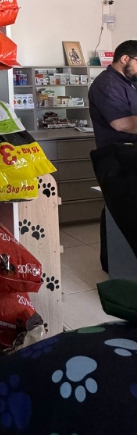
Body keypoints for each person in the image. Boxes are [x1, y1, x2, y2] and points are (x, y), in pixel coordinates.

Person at [88, 39, 137, 271]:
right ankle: (118, 268)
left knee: (118, 212)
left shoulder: (129, 83)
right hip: (117, 158)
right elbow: (122, 123)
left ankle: (118, 264)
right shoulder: (106, 84)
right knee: (122, 213)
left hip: (129, 157)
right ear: (125, 58)